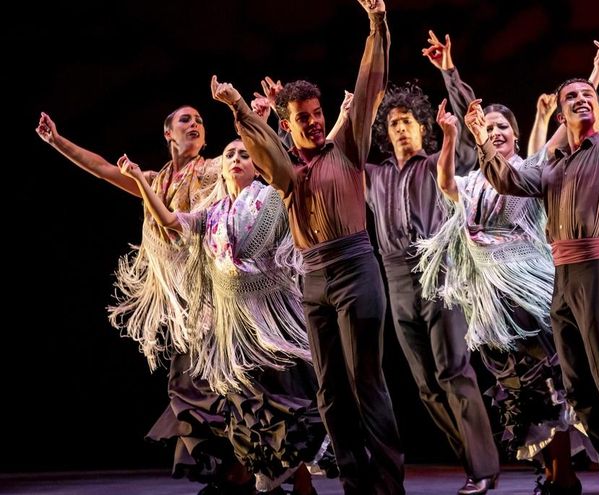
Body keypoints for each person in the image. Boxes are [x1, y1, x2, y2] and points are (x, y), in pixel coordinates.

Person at [465, 1, 599, 493]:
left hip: (598, 268)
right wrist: (482, 141)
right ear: (560, 112)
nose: (581, 99)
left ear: (597, 107)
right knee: (578, 387)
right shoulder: (552, 166)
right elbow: (508, 178)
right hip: (563, 278)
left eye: (587, 94)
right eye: (571, 96)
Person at [210, 1, 405, 493]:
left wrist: (377, 23)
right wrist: (237, 108)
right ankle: (355, 481)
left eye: (318, 114)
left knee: (367, 382)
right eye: (304, 118)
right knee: (330, 391)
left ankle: (387, 484)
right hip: (314, 280)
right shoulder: (287, 173)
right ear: (289, 125)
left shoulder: (349, 147)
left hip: (358, 267)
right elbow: (265, 152)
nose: (315, 122)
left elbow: (370, 84)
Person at [35, 109, 254, 493]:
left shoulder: (215, 167)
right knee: (192, 389)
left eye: (200, 119)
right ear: (168, 133)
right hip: (185, 304)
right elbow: (103, 169)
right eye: (185, 120)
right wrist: (57, 141)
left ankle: (249, 472)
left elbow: (251, 157)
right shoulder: (155, 180)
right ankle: (235, 473)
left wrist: (254, 118)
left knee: (220, 385)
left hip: (217, 295)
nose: (195, 124)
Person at [417, 33, 592, 495]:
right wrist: (453, 135)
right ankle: (553, 472)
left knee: (547, 379)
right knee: (520, 389)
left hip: (532, 292)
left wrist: (593, 80)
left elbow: (564, 127)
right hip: (493, 302)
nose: (495, 132)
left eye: (503, 128)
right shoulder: (472, 181)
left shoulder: (532, 169)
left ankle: (564, 473)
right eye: (489, 128)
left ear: (516, 136)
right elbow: (445, 183)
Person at [118, 141, 332, 494]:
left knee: (286, 410)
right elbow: (171, 222)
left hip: (273, 324)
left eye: (244, 155)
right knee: (247, 414)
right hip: (234, 331)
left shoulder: (274, 198)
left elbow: (293, 180)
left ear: (257, 165)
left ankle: (303, 485)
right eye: (230, 154)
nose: (235, 159)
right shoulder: (212, 213)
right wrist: (141, 181)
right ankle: (259, 479)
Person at [363, 31, 499, 495]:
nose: (401, 128)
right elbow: (324, 158)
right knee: (424, 384)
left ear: (423, 127)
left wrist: (448, 71)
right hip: (396, 279)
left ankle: (481, 469)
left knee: (453, 371)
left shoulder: (443, 161)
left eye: (408, 121)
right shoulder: (375, 175)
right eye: (394, 122)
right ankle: (471, 460)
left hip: (440, 273)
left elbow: (467, 121)